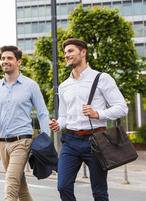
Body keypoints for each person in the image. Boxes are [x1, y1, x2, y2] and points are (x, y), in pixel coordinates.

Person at [49, 38, 128, 201]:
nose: (66, 55)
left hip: (96, 140)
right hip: (70, 140)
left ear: (83, 52)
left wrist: (97, 114)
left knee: (99, 192)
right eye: (65, 53)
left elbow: (122, 107)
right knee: (62, 186)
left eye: (70, 51)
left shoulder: (101, 78)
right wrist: (58, 123)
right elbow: (64, 116)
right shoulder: (64, 86)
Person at [0, 45, 51, 201]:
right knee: (21, 188)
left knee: (11, 184)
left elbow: (42, 113)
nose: (5, 61)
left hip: (22, 141)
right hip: (2, 143)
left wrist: (45, 138)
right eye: (3, 58)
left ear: (19, 62)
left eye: (9, 58)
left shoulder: (31, 86)